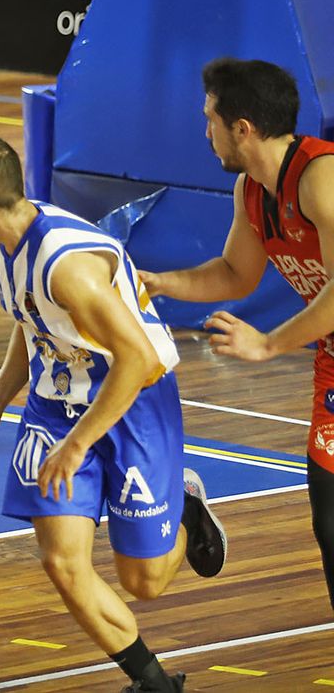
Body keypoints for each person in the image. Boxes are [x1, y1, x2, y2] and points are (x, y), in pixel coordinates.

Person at [0, 135, 227, 693]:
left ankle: (187, 510)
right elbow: (33, 322)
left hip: (133, 400)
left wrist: (75, 445)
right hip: (55, 402)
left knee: (142, 582)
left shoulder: (68, 266)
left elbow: (137, 359)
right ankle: (154, 684)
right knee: (63, 563)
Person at [139, 57, 334, 612]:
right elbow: (234, 274)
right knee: (330, 521)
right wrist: (158, 281)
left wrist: (270, 343)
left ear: (241, 128)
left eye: (210, 120)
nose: (207, 132)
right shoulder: (252, 191)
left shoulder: (323, 178)